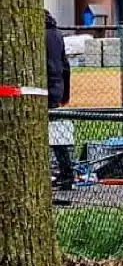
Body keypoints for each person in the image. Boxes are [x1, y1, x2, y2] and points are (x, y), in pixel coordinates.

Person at [46, 10, 73, 191]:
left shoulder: (39, 35)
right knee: (56, 133)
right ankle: (66, 173)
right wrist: (65, 93)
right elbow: (65, 64)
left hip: (43, 87)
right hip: (57, 87)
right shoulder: (57, 34)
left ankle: (65, 173)